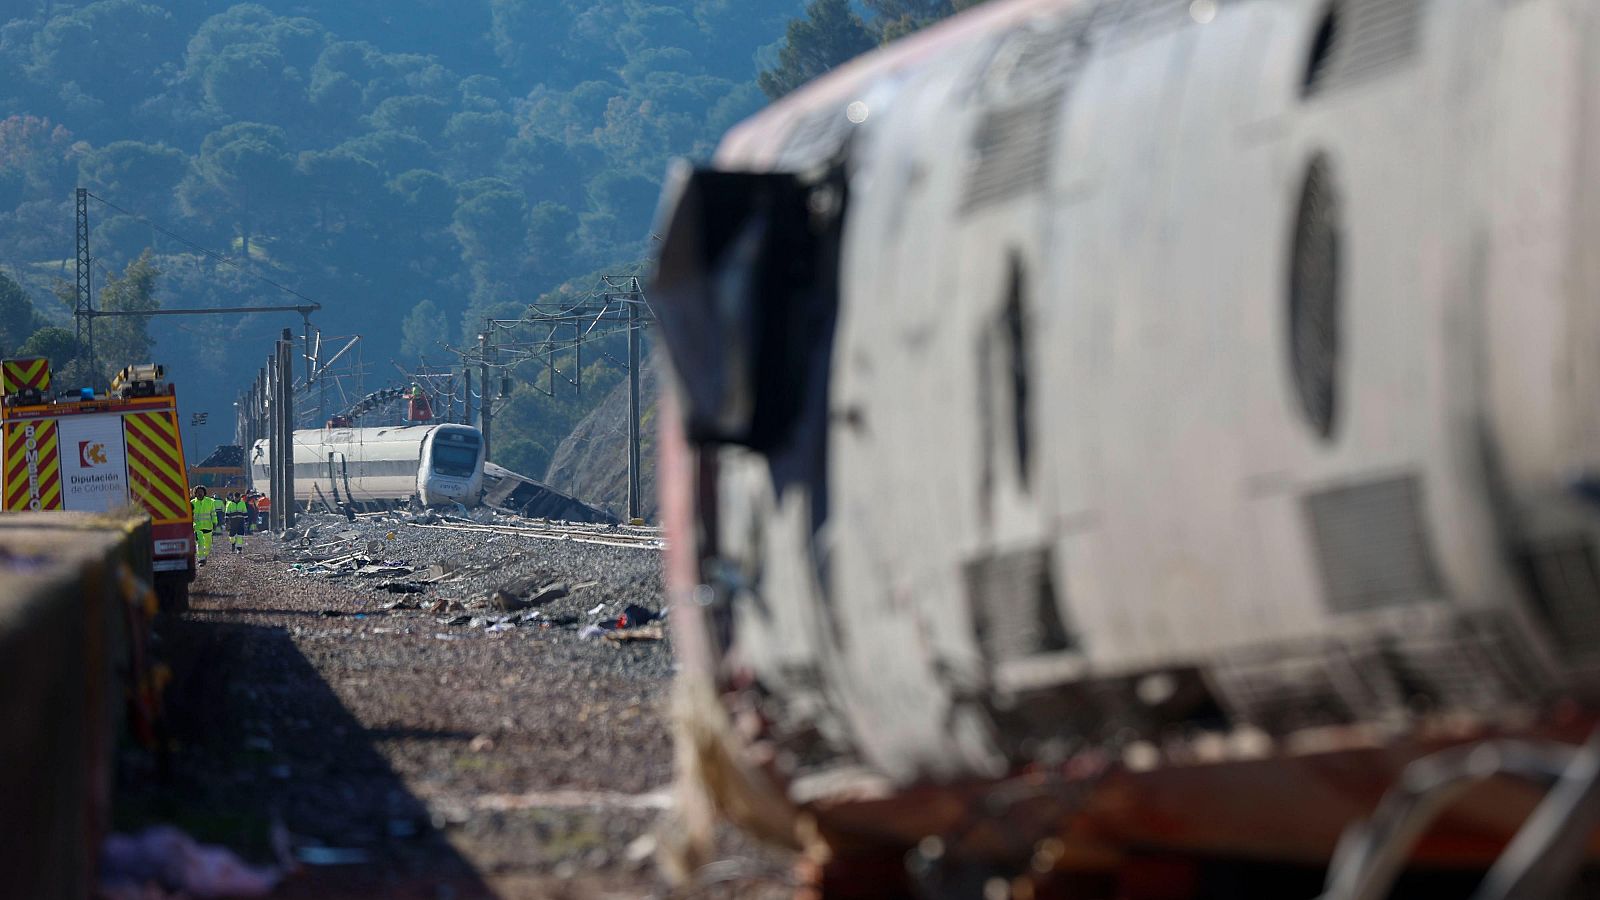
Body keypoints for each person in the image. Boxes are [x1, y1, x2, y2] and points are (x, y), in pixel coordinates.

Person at [191, 485, 221, 565]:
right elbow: (190, 515)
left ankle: (205, 555)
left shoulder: (210, 501)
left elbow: (213, 513)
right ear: (195, 494)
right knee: (200, 543)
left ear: (204, 493)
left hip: (208, 527)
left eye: (201, 492)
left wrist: (215, 523)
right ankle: (201, 559)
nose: (200, 494)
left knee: (208, 544)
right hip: (197, 527)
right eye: (198, 492)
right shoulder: (192, 503)